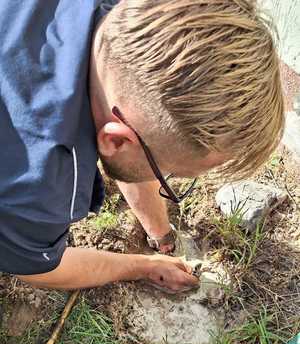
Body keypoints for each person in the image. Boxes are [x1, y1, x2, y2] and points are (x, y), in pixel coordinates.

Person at [0, 0, 284, 293]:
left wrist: (161, 235)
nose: (164, 177)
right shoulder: (37, 184)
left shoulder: (123, 17)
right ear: (116, 141)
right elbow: (43, 269)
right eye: (168, 174)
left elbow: (136, 139)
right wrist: (144, 267)